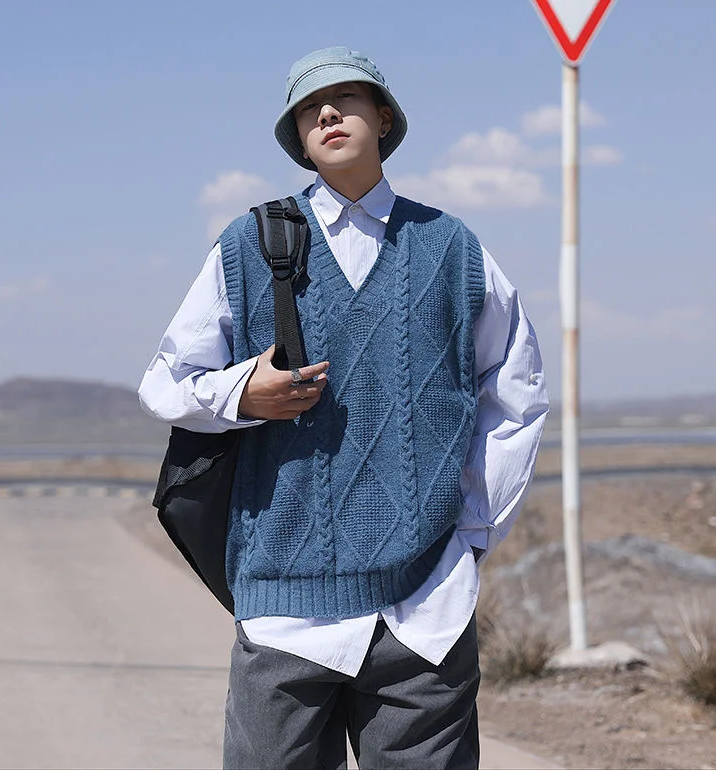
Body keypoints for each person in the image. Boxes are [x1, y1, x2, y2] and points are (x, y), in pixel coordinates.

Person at [138, 46, 548, 770]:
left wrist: (471, 536)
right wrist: (243, 394)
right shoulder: (248, 244)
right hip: (284, 612)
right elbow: (167, 382)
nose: (326, 112)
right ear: (299, 138)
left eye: (346, 98)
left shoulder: (453, 249)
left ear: (383, 119)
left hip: (423, 613)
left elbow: (515, 392)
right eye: (307, 108)